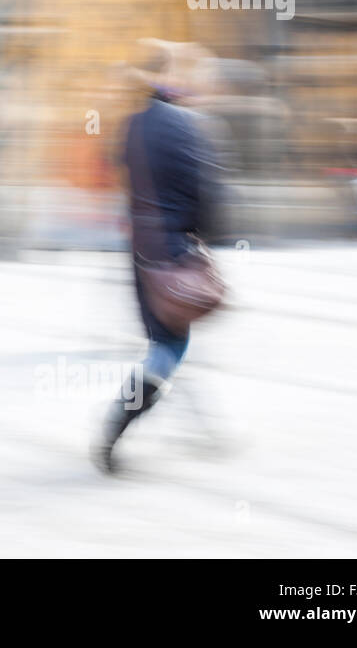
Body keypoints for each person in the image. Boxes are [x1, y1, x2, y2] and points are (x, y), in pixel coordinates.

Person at [92, 40, 222, 474]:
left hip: (140, 250)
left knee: (165, 345)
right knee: (168, 349)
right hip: (174, 249)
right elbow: (206, 190)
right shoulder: (186, 123)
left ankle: (197, 424)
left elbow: (118, 174)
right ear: (172, 74)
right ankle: (116, 427)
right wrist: (206, 238)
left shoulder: (131, 124)